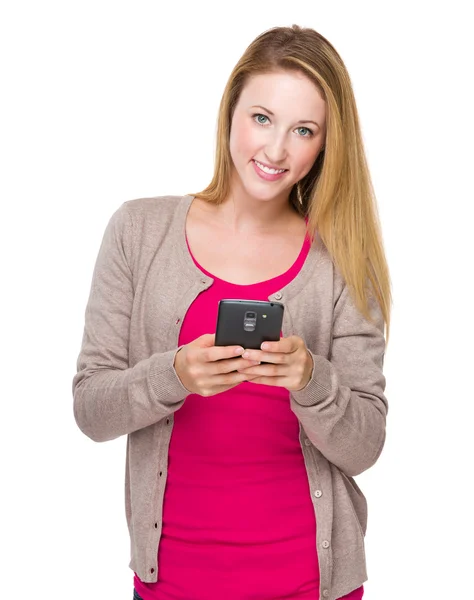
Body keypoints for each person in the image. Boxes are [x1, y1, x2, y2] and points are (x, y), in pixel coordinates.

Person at [72, 24, 391, 600]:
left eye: (303, 130)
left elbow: (364, 448)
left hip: (310, 581)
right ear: (230, 114)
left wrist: (310, 380)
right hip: (173, 581)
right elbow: (91, 409)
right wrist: (174, 375)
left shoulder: (346, 260)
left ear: (325, 144)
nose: (274, 151)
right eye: (262, 118)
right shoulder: (138, 231)